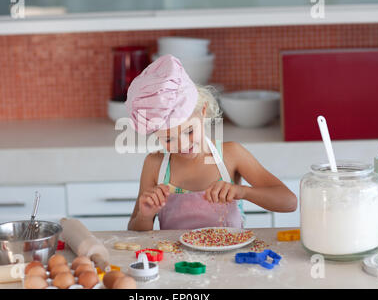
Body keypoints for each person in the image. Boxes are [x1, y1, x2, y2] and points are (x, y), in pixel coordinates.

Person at [126, 54, 297, 231]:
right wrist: (145, 215)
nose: (183, 144)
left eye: (189, 131)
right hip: (176, 259)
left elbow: (289, 202)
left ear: (204, 111)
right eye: (169, 139)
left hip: (230, 258)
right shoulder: (155, 165)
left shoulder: (232, 154)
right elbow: (134, 230)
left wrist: (243, 192)